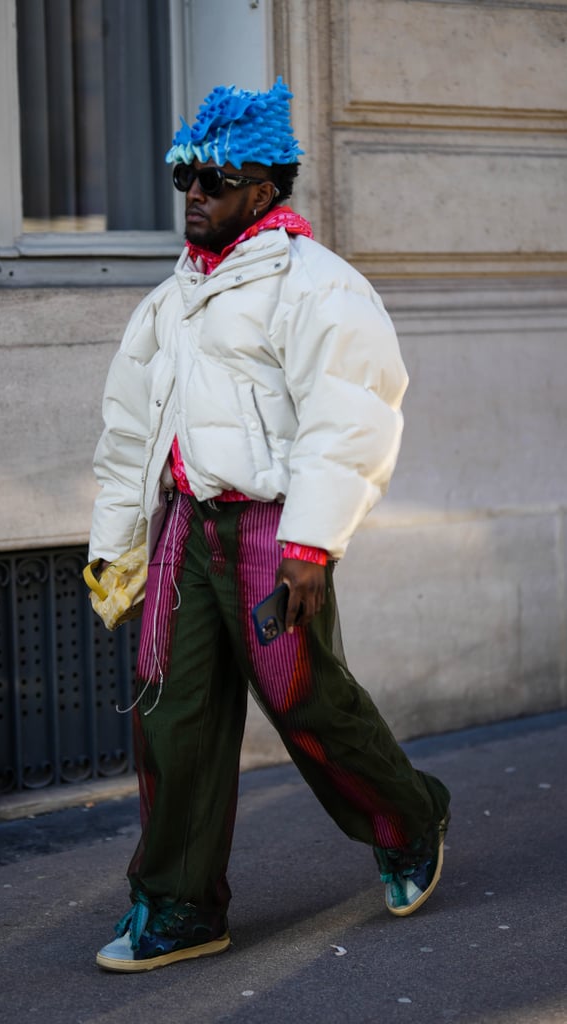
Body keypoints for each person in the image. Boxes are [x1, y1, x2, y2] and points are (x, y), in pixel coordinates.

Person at [88, 78, 451, 973]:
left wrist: (311, 544)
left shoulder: (318, 286)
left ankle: (407, 817)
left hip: (271, 533)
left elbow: (350, 415)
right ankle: (177, 908)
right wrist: (114, 542)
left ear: (265, 187)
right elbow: (131, 427)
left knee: (303, 698)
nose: (195, 197)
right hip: (184, 530)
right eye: (187, 180)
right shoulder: (173, 296)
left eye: (216, 180)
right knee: (166, 716)